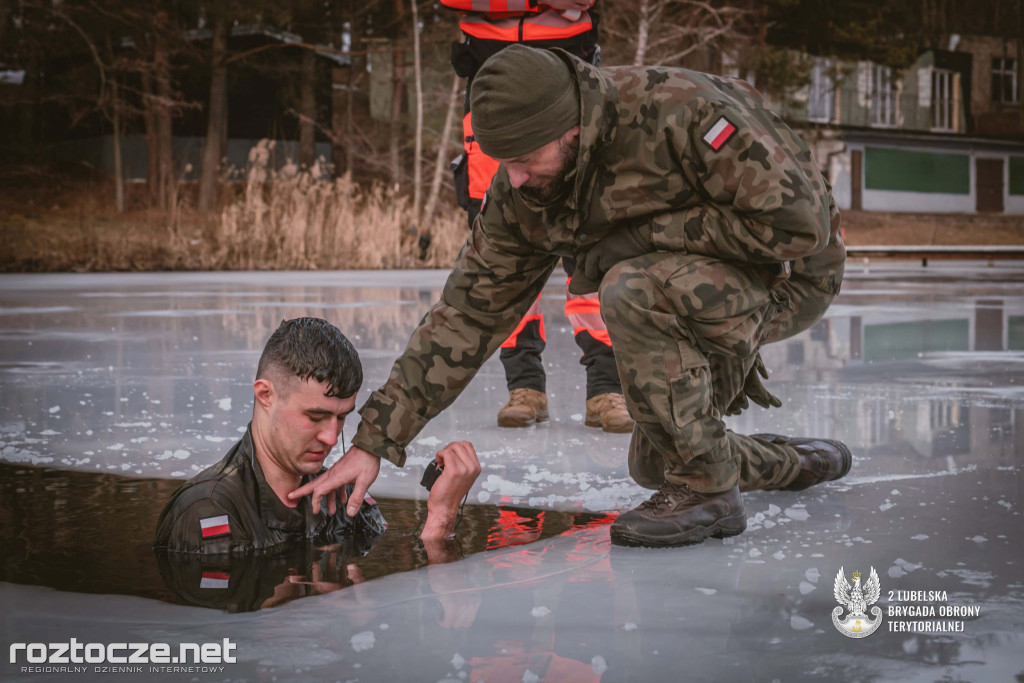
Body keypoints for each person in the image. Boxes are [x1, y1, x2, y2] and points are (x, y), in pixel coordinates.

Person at [291, 46, 851, 549]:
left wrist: (634, 241)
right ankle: (788, 462)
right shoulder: (525, 189)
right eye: (502, 162)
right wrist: (374, 440)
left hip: (789, 273)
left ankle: (710, 494)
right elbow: (467, 313)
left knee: (630, 286)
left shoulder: (677, 111)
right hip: (690, 275)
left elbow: (797, 225)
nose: (513, 177)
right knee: (658, 459)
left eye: (524, 158)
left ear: (571, 128)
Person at [442, 0, 632, 433]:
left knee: (593, 242)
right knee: (501, 255)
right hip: (490, 79)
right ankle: (523, 387)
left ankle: (607, 387)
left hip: (568, 71)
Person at [154, 317, 480, 555]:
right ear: (265, 396)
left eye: (342, 417)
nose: (330, 437)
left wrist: (442, 514)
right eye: (315, 416)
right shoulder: (208, 512)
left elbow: (402, 560)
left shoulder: (343, 498)